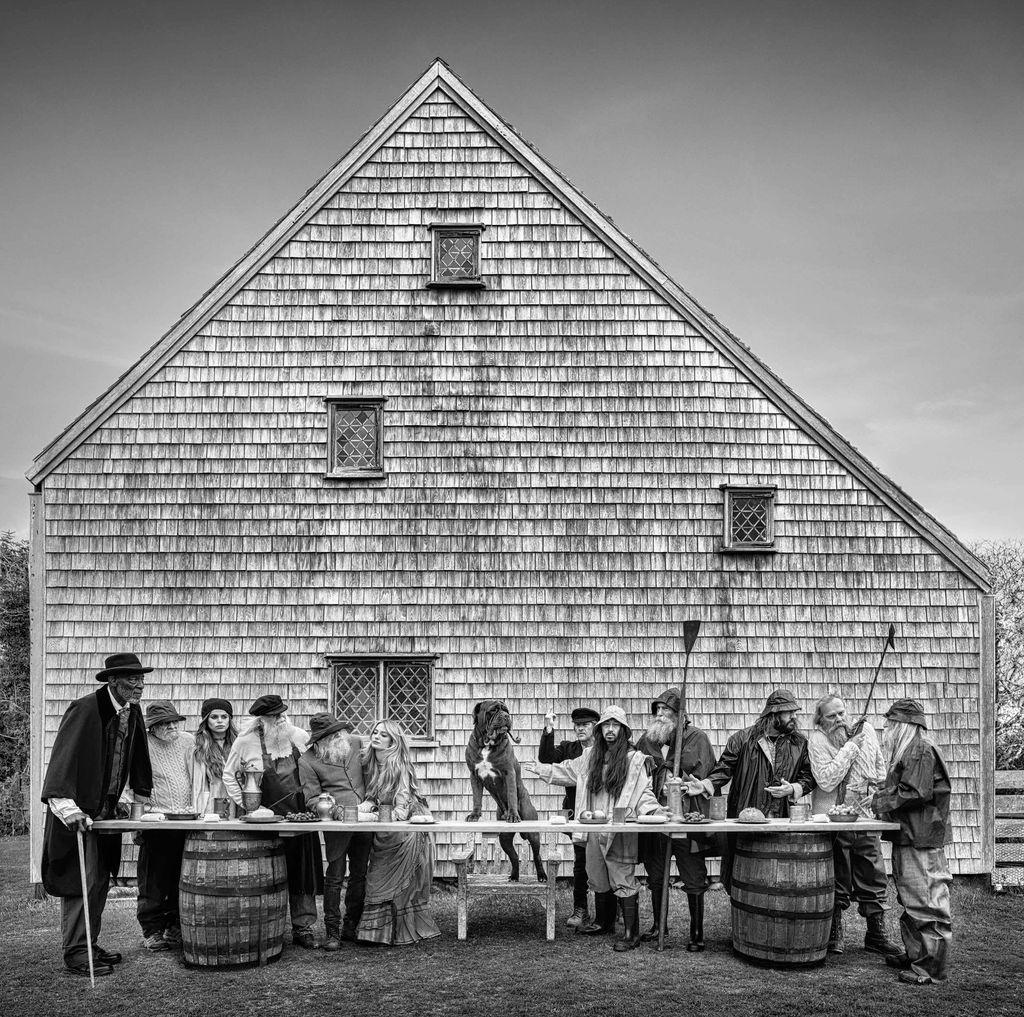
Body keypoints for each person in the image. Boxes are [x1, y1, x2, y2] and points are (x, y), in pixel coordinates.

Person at [40, 652, 154, 977]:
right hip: (76, 812)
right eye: (132, 679)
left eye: (141, 679)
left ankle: (89, 943)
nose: (139, 685)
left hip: (104, 814)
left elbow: (136, 761)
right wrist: (67, 808)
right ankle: (76, 951)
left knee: (100, 880)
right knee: (81, 880)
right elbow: (64, 760)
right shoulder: (86, 708)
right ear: (113, 681)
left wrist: (134, 802)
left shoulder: (131, 713)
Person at [525, 706, 664, 952]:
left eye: (615, 726)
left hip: (620, 829)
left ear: (623, 730)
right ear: (600, 730)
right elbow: (566, 770)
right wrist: (541, 769)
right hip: (593, 828)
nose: (610, 730)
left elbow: (644, 794)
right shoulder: (590, 757)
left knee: (622, 876)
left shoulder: (634, 760)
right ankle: (604, 922)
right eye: (606, 726)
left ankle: (631, 934)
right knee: (597, 876)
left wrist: (655, 812)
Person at [686, 689, 815, 891]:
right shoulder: (742, 739)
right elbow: (724, 768)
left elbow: (808, 776)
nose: (794, 717)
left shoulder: (799, 743)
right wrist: (705, 784)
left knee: (779, 870)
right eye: (789, 713)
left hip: (782, 816)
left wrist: (793, 788)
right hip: (746, 815)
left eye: (794, 712)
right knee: (745, 869)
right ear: (774, 714)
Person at [223, 695, 323, 948]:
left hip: (300, 818)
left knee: (302, 873)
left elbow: (318, 767)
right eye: (274, 715)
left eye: (282, 714)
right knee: (266, 875)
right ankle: (267, 927)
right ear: (261, 719)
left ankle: (304, 927)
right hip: (264, 821)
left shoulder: (298, 736)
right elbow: (228, 775)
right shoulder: (246, 742)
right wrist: (250, 806)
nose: (280, 718)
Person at [808, 694, 900, 957]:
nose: (838, 720)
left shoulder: (866, 729)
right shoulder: (817, 740)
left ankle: (876, 933)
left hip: (864, 815)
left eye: (841, 713)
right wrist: (850, 748)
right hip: (833, 819)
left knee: (872, 872)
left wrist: (875, 786)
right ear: (820, 720)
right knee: (839, 873)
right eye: (831, 716)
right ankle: (835, 932)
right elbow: (826, 780)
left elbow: (879, 766)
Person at [871, 699, 953, 986]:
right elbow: (906, 786)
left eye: (891, 723)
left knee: (927, 901)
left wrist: (879, 799)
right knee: (911, 899)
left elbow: (913, 792)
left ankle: (931, 968)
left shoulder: (919, 749)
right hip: (910, 834)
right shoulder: (913, 750)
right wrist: (881, 789)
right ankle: (917, 954)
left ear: (904, 725)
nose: (886, 728)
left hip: (921, 837)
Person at [634, 688, 717, 949]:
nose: (660, 714)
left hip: (686, 818)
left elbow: (704, 772)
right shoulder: (648, 740)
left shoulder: (697, 738)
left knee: (693, 874)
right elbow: (635, 768)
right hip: (656, 818)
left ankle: (696, 933)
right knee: (656, 873)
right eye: (657, 710)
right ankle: (660, 925)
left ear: (681, 715)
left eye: (666, 710)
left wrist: (677, 771)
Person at [356, 720, 441, 946]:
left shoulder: (399, 765)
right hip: (384, 826)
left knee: (398, 881)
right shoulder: (371, 763)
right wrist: (368, 803)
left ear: (393, 742)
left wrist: (372, 815)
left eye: (383, 735)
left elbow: (401, 810)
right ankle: (374, 934)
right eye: (374, 732)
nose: (376, 736)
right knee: (375, 875)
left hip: (405, 829)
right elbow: (374, 796)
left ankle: (398, 932)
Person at [299, 713, 371, 950]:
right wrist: (334, 810)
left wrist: (371, 802)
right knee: (335, 876)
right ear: (319, 740)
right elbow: (310, 799)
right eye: (331, 736)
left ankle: (352, 925)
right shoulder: (307, 761)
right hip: (336, 824)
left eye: (339, 733)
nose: (338, 738)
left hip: (366, 819)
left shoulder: (357, 743)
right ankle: (332, 932)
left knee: (360, 874)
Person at [134, 700, 194, 951]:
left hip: (187, 817)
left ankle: (174, 927)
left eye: (173, 722)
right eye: (164, 723)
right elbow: (133, 781)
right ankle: (152, 930)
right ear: (152, 727)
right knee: (153, 878)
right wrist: (143, 813)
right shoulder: (142, 745)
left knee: (180, 875)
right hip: (156, 820)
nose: (171, 727)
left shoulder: (187, 741)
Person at [538, 705, 599, 928]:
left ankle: (614, 909)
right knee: (580, 862)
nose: (580, 729)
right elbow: (546, 759)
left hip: (602, 812)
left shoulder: (605, 748)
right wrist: (548, 727)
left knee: (608, 859)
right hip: (576, 813)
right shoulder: (568, 748)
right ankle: (580, 909)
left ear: (595, 726)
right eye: (577, 725)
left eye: (585, 725)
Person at [191, 697, 237, 816]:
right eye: (214, 717)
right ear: (206, 720)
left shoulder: (238, 744)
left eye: (224, 717)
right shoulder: (199, 747)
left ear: (229, 719)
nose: (220, 721)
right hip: (209, 807)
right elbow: (196, 785)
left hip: (237, 805)